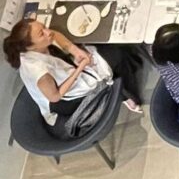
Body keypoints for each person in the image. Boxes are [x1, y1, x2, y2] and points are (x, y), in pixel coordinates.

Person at [3, 19, 143, 134]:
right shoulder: (38, 71)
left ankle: (122, 87)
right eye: (41, 33)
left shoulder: (36, 45)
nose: (48, 32)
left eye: (44, 27)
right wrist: (80, 67)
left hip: (64, 73)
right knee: (117, 56)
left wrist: (74, 50)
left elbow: (55, 34)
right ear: (30, 47)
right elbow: (55, 96)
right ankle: (125, 95)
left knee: (112, 51)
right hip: (65, 100)